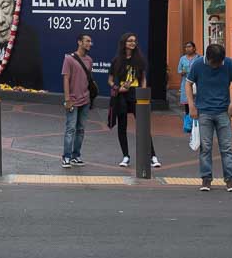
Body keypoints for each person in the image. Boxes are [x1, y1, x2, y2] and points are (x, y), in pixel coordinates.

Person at [186, 42, 232, 192]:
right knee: (205, 147)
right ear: (207, 58)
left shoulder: (228, 63)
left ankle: (230, 180)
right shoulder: (198, 64)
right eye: (213, 63)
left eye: (219, 63)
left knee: (226, 147)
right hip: (204, 112)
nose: (216, 66)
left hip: (223, 111)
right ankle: (206, 179)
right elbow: (188, 84)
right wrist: (191, 105)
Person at [107, 32, 159, 168]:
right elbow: (110, 80)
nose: (132, 43)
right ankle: (125, 156)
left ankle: (152, 156)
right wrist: (117, 88)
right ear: (124, 42)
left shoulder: (139, 60)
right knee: (122, 126)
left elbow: (143, 78)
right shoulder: (117, 60)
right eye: (130, 41)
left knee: (143, 125)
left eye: (134, 41)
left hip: (136, 95)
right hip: (121, 96)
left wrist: (143, 91)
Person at [61, 33, 95, 167]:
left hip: (85, 100)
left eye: (90, 41)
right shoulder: (69, 59)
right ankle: (66, 157)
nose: (89, 44)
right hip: (73, 100)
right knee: (70, 129)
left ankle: (76, 156)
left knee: (81, 129)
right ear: (79, 42)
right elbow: (66, 79)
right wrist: (67, 99)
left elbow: (88, 80)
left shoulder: (90, 60)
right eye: (87, 41)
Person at [177, 41, 199, 127]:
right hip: (185, 82)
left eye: (189, 47)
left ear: (194, 48)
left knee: (196, 101)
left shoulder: (198, 58)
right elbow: (179, 70)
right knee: (187, 102)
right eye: (186, 47)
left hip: (196, 83)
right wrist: (182, 72)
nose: (187, 49)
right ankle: (188, 123)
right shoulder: (182, 59)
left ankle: (196, 121)